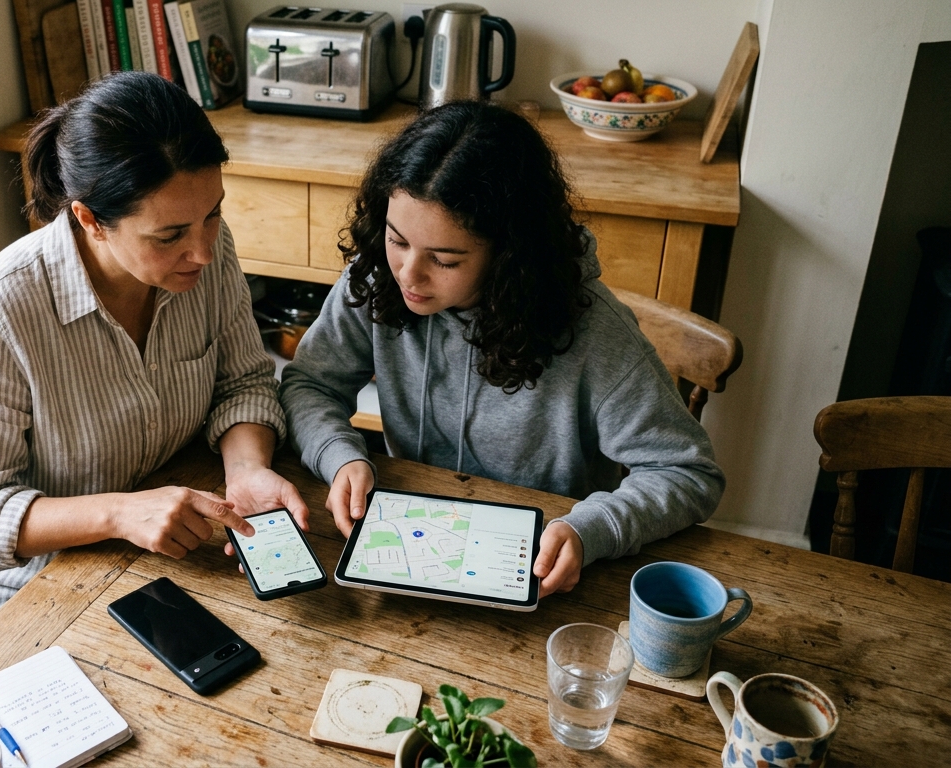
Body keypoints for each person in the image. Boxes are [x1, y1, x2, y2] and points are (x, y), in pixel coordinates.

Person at [0, 72, 308, 653]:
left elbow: (244, 381)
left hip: (149, 565)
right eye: (170, 234)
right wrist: (120, 514)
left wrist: (247, 468)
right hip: (13, 598)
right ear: (89, 220)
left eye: (213, 214)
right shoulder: (2, 311)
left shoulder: (207, 250)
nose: (203, 250)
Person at [279, 101, 724, 597]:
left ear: (510, 254)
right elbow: (310, 384)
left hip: (538, 572)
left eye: (444, 259)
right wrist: (340, 456)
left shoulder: (597, 334)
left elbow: (687, 473)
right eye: (397, 240)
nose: (407, 273)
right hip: (409, 551)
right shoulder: (376, 278)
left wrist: (592, 528)